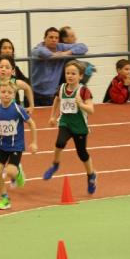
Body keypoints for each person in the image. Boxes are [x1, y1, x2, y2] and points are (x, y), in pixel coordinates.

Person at [43, 61, 97, 195]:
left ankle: (91, 175)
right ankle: (55, 164)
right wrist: (52, 116)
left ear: (80, 76)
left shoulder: (83, 91)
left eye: (73, 73)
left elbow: (91, 110)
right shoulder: (62, 88)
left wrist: (81, 104)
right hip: (65, 122)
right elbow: (57, 100)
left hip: (79, 126)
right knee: (59, 143)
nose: (70, 76)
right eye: (67, 73)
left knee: (82, 153)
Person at [0, 81, 38, 210]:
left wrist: (34, 142)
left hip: (16, 146)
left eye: (9, 92)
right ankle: (5, 198)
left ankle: (18, 171)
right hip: (2, 146)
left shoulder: (18, 109)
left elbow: (31, 124)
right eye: (3, 92)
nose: (6, 94)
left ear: (14, 95)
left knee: (10, 171)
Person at [30, 27, 88, 106]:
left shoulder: (61, 47)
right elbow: (41, 52)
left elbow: (83, 47)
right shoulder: (38, 48)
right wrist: (55, 55)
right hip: (35, 93)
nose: (54, 40)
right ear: (44, 39)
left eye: (56, 38)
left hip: (51, 95)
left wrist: (66, 53)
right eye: (51, 37)